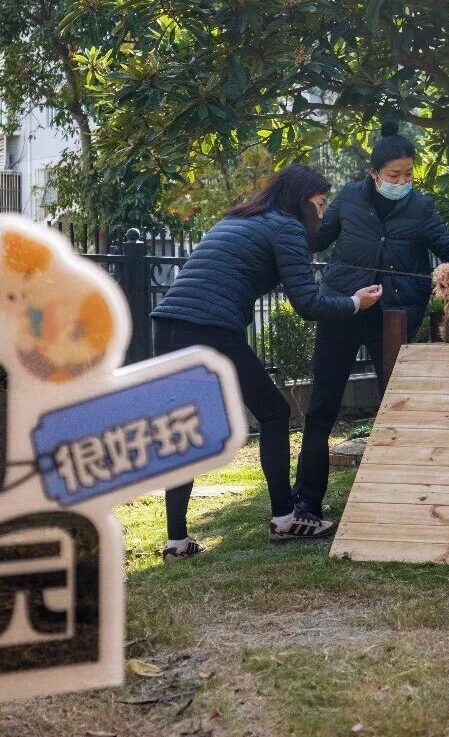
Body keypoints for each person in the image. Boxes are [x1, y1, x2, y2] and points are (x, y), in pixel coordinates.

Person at [150, 165, 383, 562]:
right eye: (320, 204)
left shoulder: (239, 218)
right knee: (274, 412)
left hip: (168, 324)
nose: (322, 214)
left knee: (185, 429)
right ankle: (285, 518)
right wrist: (354, 302)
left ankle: (177, 542)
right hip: (210, 328)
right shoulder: (286, 227)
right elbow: (308, 303)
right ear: (302, 201)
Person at [292, 122, 449, 520]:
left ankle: (405, 494)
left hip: (395, 315)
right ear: (374, 173)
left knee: (398, 405)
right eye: (394, 175)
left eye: (408, 175)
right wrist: (288, 232)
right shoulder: (349, 198)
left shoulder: (421, 207)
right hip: (343, 308)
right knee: (322, 407)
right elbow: (317, 239)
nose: (402, 182)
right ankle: (306, 501)